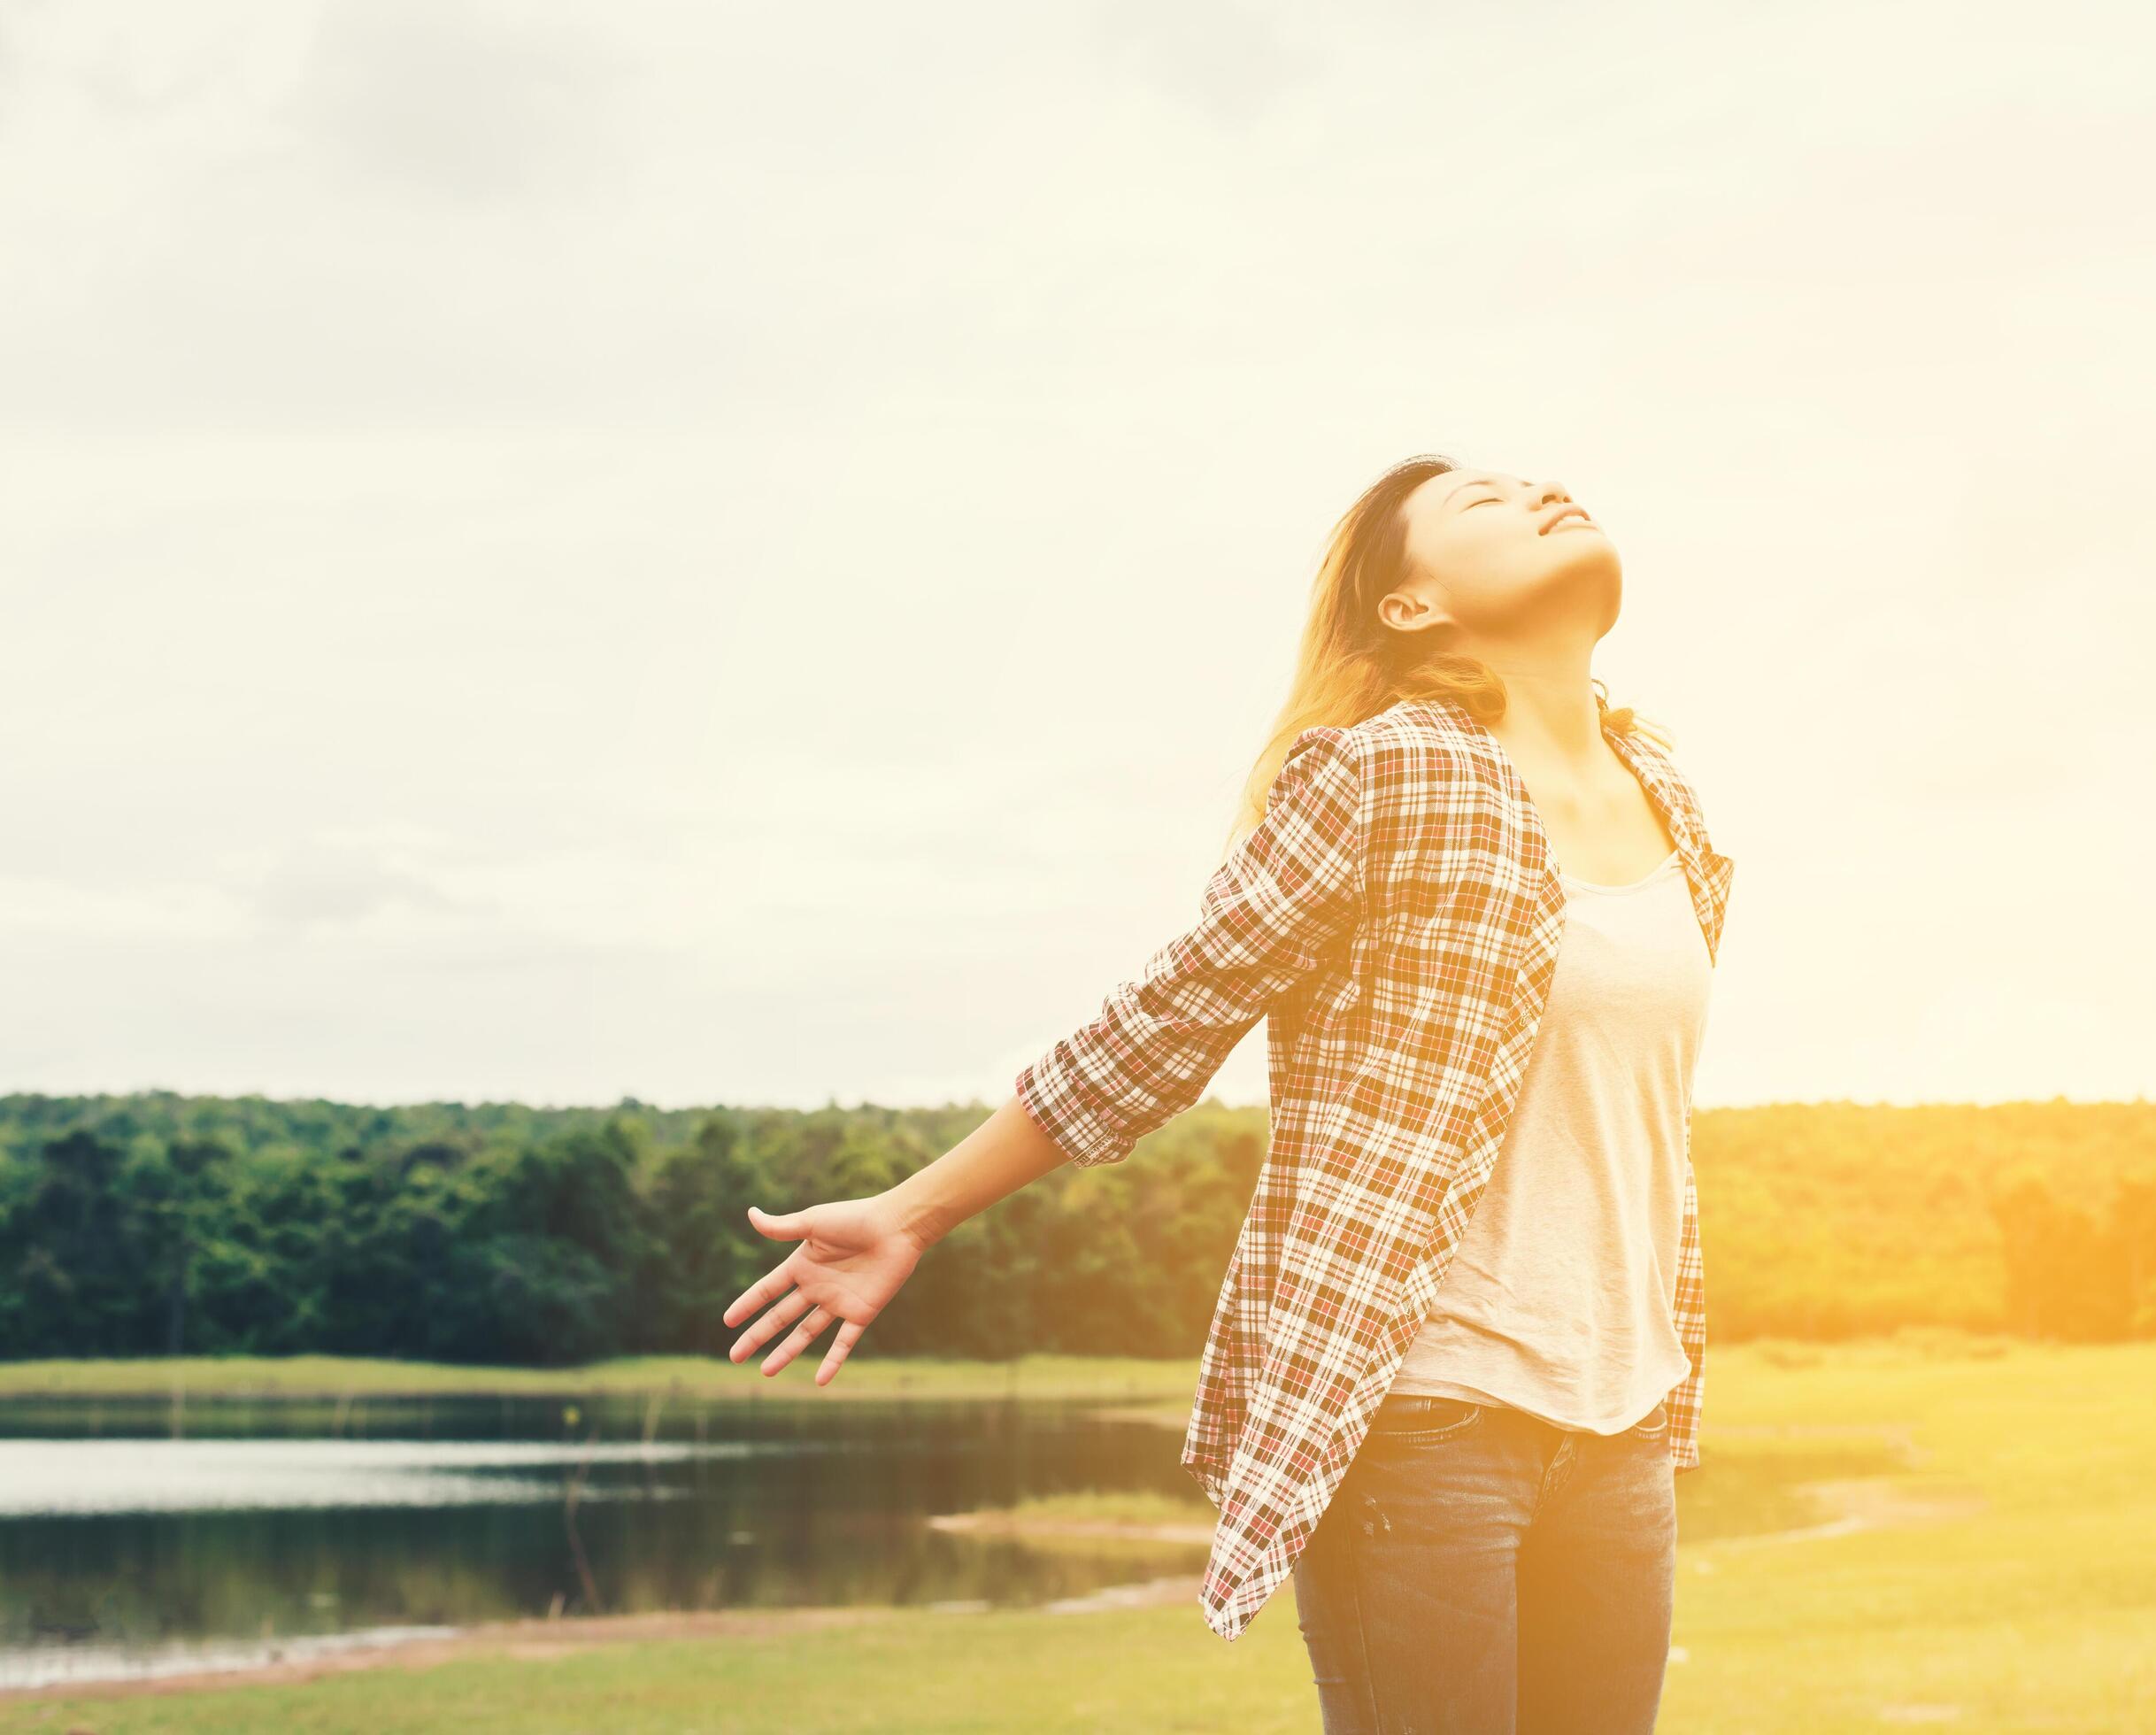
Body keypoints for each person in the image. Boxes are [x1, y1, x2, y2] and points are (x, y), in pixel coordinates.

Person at [720, 453, 1736, 1733]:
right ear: (1411, 607)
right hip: (1422, 1407)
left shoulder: (1678, 815)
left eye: (1542, 484)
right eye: (1486, 504)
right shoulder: (1381, 773)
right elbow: (1168, 1018)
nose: (1540, 495)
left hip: (1620, 1417)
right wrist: (915, 1213)